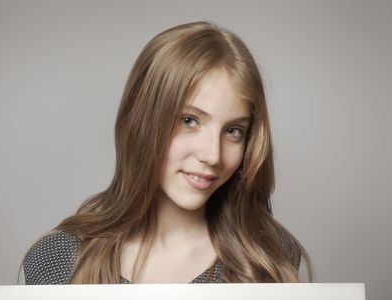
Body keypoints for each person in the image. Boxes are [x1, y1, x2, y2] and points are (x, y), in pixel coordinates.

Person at [20, 21, 311, 285]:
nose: (212, 155)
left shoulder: (269, 260)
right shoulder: (57, 260)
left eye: (233, 130)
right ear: (141, 119)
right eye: (189, 121)